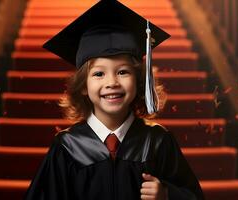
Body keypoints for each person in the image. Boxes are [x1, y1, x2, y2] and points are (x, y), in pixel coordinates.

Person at [24, 1, 204, 200]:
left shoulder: (157, 142)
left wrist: (167, 194)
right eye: (99, 74)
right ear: (83, 86)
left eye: (123, 72)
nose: (112, 82)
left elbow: (193, 196)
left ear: (139, 80)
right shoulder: (68, 146)